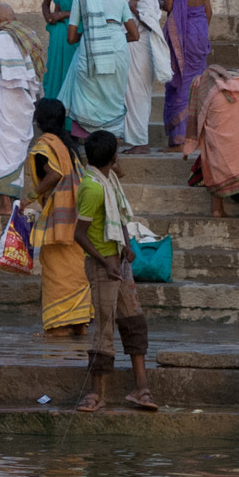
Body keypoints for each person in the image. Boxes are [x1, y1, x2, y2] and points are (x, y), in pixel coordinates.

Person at [73, 131, 156, 411]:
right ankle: (96, 393)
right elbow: (79, 234)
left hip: (119, 261)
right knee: (104, 328)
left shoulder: (109, 180)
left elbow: (119, 216)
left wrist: (128, 245)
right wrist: (105, 261)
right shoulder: (92, 188)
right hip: (102, 266)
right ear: (112, 157)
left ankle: (141, 388)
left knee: (134, 322)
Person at [0, 2, 44, 208]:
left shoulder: (0, 37)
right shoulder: (28, 35)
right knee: (14, 151)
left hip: (5, 100)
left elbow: (4, 74)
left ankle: (4, 204)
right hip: (23, 104)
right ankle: (10, 200)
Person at [25, 99, 89, 334]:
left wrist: (29, 198)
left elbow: (54, 174)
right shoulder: (68, 144)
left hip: (58, 223)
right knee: (76, 272)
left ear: (39, 121)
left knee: (57, 274)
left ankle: (60, 326)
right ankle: (79, 323)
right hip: (76, 219)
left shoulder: (45, 145)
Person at [59, 0, 136, 138]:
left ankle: (89, 146)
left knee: (87, 100)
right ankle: (112, 146)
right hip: (118, 51)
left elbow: (71, 38)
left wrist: (91, 33)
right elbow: (134, 35)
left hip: (90, 52)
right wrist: (111, 39)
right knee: (114, 100)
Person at [186, 66, 239, 218]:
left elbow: (197, 124)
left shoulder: (201, 88)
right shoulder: (236, 82)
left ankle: (217, 209)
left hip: (221, 102)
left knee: (215, 151)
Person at [157, 0, 210, 150]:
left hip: (183, 33)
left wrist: (155, 2)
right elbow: (208, 10)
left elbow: (169, 5)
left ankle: (179, 140)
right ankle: (194, 138)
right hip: (199, 32)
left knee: (178, 84)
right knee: (194, 83)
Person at [121, 0, 167, 152]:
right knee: (130, 96)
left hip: (142, 51)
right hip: (131, 51)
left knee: (139, 96)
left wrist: (133, 9)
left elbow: (150, 24)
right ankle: (134, 140)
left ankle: (141, 142)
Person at [41, 0, 88, 105]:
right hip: (59, 31)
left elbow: (89, 7)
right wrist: (49, 17)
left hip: (79, 32)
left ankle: (72, 122)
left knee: (74, 73)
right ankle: (53, 114)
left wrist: (63, 13)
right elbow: (45, 3)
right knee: (55, 71)